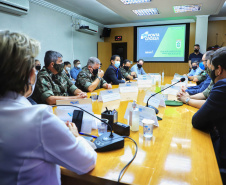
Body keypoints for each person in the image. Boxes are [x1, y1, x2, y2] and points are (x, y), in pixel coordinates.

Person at [0, 31, 97, 185]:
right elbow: (86, 161)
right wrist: (76, 136)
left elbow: (71, 86)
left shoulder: (62, 73)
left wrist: (79, 93)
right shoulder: (38, 119)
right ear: (32, 74)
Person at [192, 47, 226, 171]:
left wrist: (186, 99)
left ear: (219, 70)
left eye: (211, 69)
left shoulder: (222, 85)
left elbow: (197, 121)